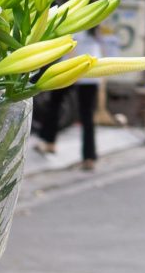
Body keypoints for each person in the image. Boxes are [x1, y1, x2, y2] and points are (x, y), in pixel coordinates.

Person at [32, 22, 106, 170]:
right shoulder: (96, 27)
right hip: (91, 73)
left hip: (70, 69)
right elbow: (102, 49)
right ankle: (89, 157)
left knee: (55, 104)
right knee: (87, 116)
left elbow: (67, 47)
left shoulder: (75, 23)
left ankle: (49, 142)